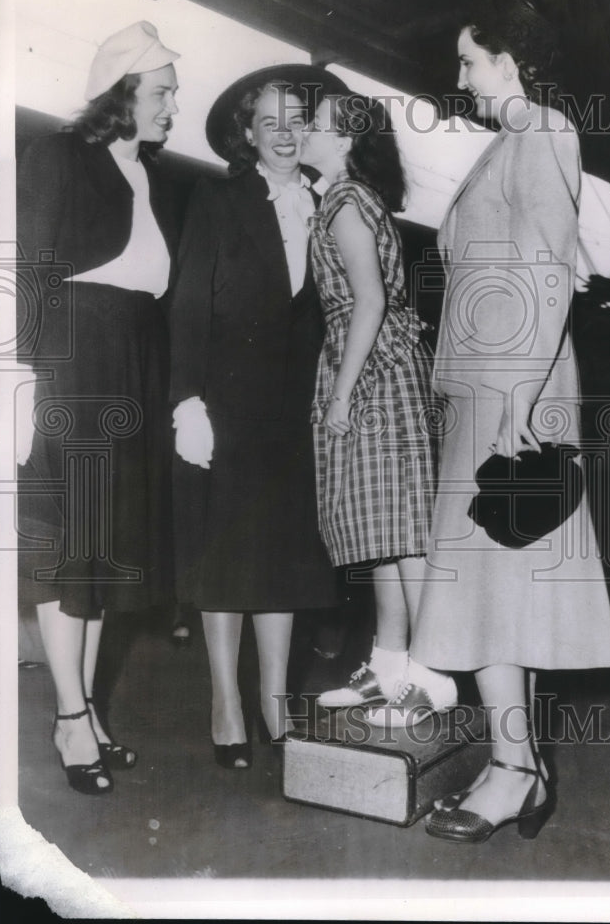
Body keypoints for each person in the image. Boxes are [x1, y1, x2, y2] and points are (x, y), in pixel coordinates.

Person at [393, 0, 610, 842]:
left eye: (469, 61)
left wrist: (522, 389)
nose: (459, 78)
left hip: (512, 387)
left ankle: (515, 769)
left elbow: (552, 267)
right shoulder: (506, 144)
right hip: (486, 387)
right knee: (489, 585)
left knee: (502, 580)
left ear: (511, 61)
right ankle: (515, 764)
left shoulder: (546, 130)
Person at [17, 21, 181, 795]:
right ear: (122, 94)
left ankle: (85, 713)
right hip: (79, 357)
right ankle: (70, 714)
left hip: (135, 354)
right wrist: (24, 388)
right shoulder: (56, 155)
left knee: (107, 545)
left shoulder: (145, 172)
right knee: (74, 543)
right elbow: (31, 275)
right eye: (162, 93)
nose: (172, 107)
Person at [169, 67, 343, 768]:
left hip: (296, 402)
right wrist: (187, 402)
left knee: (287, 554)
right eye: (268, 122)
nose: (283, 133)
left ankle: (275, 703)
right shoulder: (218, 197)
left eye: (295, 118)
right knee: (226, 554)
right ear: (246, 134)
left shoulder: (328, 203)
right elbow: (186, 303)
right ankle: (225, 704)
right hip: (229, 398)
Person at [301, 95, 455, 714]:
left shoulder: (343, 201)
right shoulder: (351, 198)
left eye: (314, 125)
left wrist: (342, 395)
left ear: (343, 141)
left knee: (405, 533)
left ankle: (432, 675)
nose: (302, 132)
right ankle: (390, 664)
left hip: (372, 370)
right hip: (378, 362)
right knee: (384, 531)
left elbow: (368, 301)